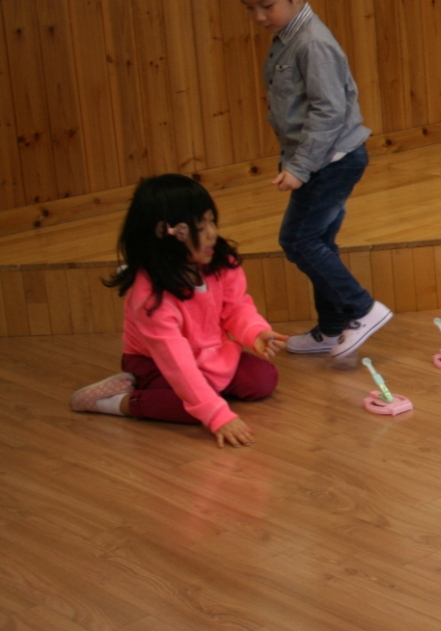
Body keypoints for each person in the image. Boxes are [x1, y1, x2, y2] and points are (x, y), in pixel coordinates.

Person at [229, 0, 390, 358]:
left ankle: (363, 308)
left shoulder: (312, 42)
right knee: (318, 241)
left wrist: (300, 167)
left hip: (331, 162)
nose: (259, 16)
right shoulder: (288, 35)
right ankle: (332, 328)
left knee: (298, 241)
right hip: (324, 160)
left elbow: (329, 110)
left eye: (266, 5)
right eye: (249, 8)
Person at [68, 175, 286, 448]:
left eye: (212, 222)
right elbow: (177, 362)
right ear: (167, 237)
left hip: (209, 353)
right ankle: (115, 401)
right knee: (192, 408)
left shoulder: (219, 262)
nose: (212, 233)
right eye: (200, 227)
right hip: (154, 361)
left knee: (262, 379)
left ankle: (200, 390)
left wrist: (254, 331)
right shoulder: (150, 299)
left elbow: (236, 307)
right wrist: (216, 414)